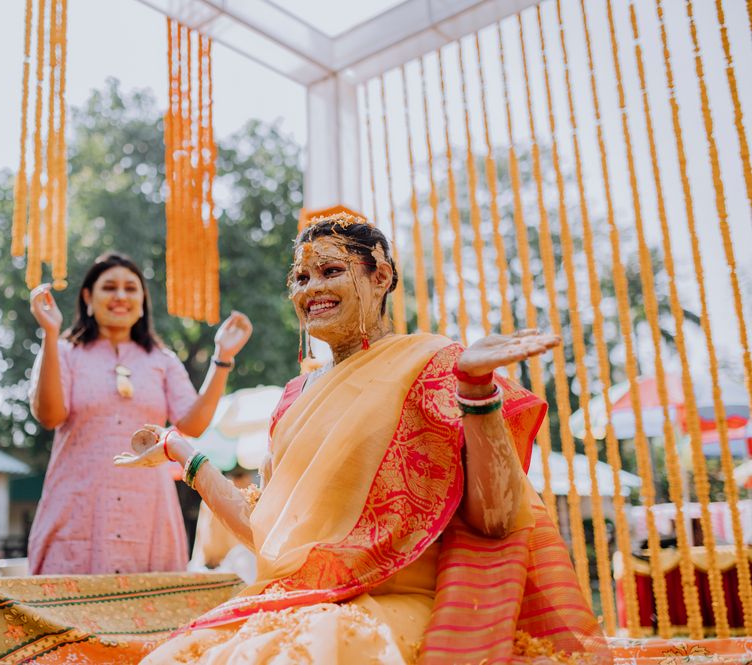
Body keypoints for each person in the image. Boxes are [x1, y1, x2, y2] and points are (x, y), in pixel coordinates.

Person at [115, 213, 608, 664]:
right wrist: (182, 449)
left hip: (403, 605)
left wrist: (476, 391)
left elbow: (497, 518)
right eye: (301, 277)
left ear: (381, 276)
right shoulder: (294, 398)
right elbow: (269, 535)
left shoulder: (436, 366)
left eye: (331, 271)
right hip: (299, 601)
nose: (312, 289)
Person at [28, 252, 252, 575]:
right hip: (78, 509)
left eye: (131, 289)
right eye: (110, 287)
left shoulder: (161, 360)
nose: (121, 296)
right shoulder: (65, 352)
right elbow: (49, 415)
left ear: (142, 300)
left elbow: (194, 424)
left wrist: (222, 358)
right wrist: (50, 333)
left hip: (148, 511)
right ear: (88, 297)